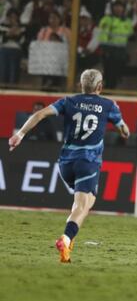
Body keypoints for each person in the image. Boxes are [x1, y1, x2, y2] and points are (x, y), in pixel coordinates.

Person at [8, 69, 130, 263]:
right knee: (84, 205)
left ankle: (69, 241)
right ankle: (65, 239)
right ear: (100, 87)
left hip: (66, 163)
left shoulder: (68, 101)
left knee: (83, 203)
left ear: (81, 86)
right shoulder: (108, 105)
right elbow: (123, 129)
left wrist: (19, 135)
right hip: (87, 162)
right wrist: (124, 131)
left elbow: (40, 114)